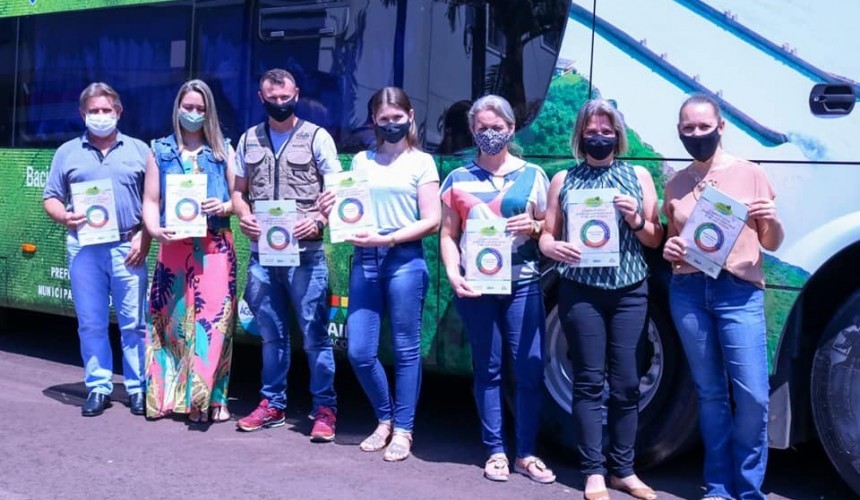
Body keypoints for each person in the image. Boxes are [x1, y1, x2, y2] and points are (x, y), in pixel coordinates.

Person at [539, 99, 663, 500]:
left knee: (627, 383)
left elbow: (654, 238)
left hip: (629, 291)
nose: (599, 137)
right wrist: (551, 247)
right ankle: (593, 470)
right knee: (589, 380)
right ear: (580, 136)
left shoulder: (637, 176)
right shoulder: (564, 180)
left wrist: (637, 220)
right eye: (591, 132)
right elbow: (547, 235)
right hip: (581, 292)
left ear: (617, 135)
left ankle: (623, 470)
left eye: (606, 131)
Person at [663, 94, 784, 500]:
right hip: (689, 291)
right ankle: (718, 486)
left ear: (721, 127)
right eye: (688, 128)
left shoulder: (751, 174)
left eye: (703, 126)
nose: (697, 134)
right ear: (680, 132)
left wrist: (771, 220)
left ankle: (749, 489)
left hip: (738, 292)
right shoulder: (676, 184)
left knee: (752, 395)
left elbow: (772, 242)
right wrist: (670, 249)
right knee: (710, 393)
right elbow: (673, 242)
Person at [439, 94, 556, 483]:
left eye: (497, 127)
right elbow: (447, 234)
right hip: (477, 285)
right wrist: (453, 272)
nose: (490, 134)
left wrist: (535, 227)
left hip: (524, 283)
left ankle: (526, 453)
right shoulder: (457, 179)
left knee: (529, 369)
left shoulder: (534, 176)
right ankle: (495, 451)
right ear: (473, 131)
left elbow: (550, 228)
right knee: (487, 369)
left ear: (511, 128)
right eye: (482, 128)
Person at [319, 87, 440, 462]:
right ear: (374, 120)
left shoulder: (422, 163)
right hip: (365, 260)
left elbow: (432, 221)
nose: (391, 124)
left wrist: (387, 238)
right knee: (359, 351)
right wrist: (329, 205)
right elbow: (348, 208)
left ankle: (403, 429)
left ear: (410, 117)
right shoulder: (361, 162)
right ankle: (385, 418)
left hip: (404, 260)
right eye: (384, 119)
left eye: (397, 118)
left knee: (406, 351)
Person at [231, 68, 342, 442]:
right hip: (263, 256)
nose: (280, 103)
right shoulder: (248, 139)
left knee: (315, 336)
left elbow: (336, 191)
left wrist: (319, 220)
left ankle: (324, 408)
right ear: (261, 99)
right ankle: (272, 404)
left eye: (285, 97)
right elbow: (238, 192)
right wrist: (244, 215)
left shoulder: (317, 137)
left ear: (297, 94)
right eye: (272, 98)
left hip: (305, 255)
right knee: (271, 336)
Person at [43, 82, 151, 417]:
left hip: (128, 245)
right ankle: (99, 386)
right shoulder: (67, 152)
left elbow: (154, 201)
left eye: (106, 110)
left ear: (119, 112)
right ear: (83, 114)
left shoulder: (139, 150)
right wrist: (65, 217)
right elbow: (51, 198)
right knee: (91, 322)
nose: (100, 116)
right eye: (94, 111)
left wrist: (144, 237)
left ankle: (138, 388)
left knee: (134, 324)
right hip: (84, 247)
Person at [142, 79, 237, 423]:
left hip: (215, 246)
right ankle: (171, 398)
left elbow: (239, 199)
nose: (194, 113)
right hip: (173, 247)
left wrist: (224, 206)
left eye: (200, 108)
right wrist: (154, 230)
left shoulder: (224, 150)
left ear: (209, 112)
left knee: (214, 324)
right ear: (178, 109)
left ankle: (210, 399)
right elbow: (150, 200)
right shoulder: (159, 150)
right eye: (188, 107)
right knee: (172, 322)